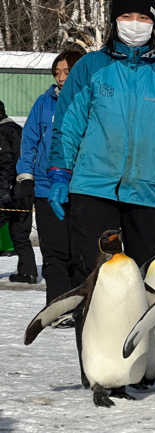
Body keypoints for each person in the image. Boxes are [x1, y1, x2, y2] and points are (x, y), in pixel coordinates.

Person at [47, 0, 155, 280]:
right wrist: (59, 173)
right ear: (114, 21)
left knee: (145, 282)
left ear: (153, 24)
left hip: (147, 193)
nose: (134, 23)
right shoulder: (91, 67)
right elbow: (68, 125)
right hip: (94, 190)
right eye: (126, 15)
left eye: (143, 17)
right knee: (96, 280)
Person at [15, 50, 84, 298]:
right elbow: (30, 140)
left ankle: (78, 306)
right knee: (54, 251)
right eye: (57, 73)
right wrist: (25, 175)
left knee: (79, 252)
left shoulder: (91, 101)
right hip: (46, 188)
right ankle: (56, 306)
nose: (61, 78)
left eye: (67, 72)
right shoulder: (44, 103)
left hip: (81, 187)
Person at [0, 101, 29, 282]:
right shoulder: (18, 129)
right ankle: (29, 271)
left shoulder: (3, 132)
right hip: (22, 188)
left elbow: (5, 163)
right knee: (20, 234)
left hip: (7, 190)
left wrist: (3, 189)